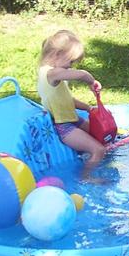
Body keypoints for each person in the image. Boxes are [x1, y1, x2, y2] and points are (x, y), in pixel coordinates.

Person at [37, 30, 106, 179]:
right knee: (98, 150)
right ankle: (87, 178)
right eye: (70, 61)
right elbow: (81, 75)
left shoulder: (56, 75)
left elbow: (67, 100)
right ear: (57, 55)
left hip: (74, 120)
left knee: (100, 134)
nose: (71, 66)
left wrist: (88, 108)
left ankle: (88, 159)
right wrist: (91, 81)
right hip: (64, 127)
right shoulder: (51, 74)